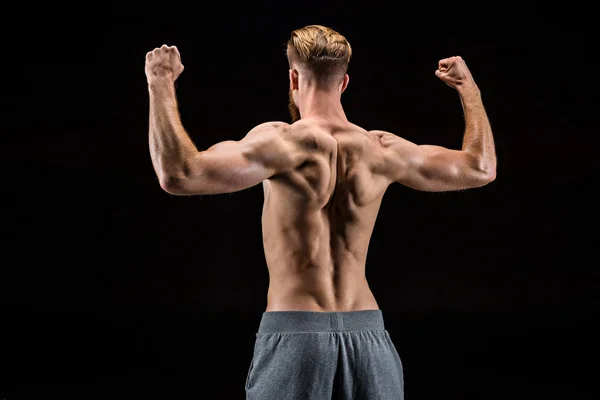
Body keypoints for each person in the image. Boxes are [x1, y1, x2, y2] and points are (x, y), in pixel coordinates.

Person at [144, 24, 496, 400]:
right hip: (369, 339)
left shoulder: (279, 143)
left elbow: (179, 174)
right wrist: (469, 91)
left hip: (297, 338)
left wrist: (160, 81)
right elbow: (480, 168)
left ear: (293, 77)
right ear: (344, 83)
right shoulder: (383, 149)